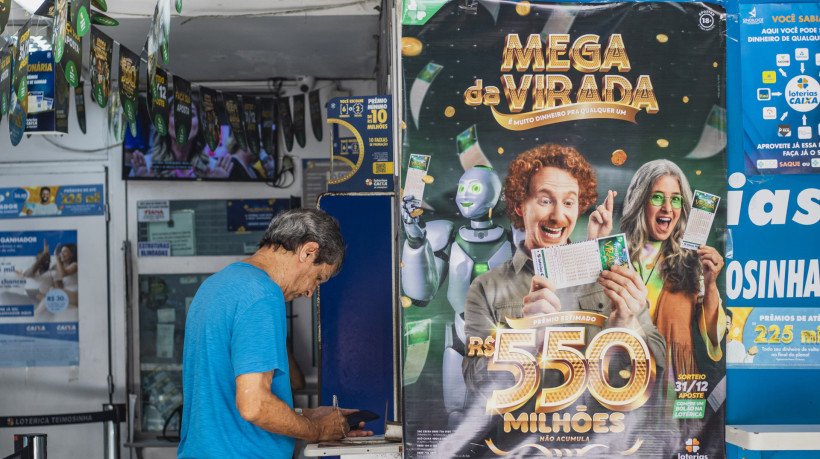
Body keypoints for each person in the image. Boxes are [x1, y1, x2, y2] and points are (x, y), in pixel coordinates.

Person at [458, 144, 666, 457]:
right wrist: (525, 334)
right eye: (545, 200)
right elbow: (476, 383)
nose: (558, 215)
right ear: (520, 206)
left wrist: (626, 326)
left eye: (569, 202)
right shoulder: (486, 288)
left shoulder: (611, 272)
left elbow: (659, 362)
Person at [178, 208, 373, 458]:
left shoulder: (216, 285)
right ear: (308, 251)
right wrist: (316, 430)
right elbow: (254, 406)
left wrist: (305, 415)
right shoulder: (262, 294)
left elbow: (226, 400)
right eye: (318, 278)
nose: (310, 292)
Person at [619, 159, 726, 451]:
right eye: (658, 197)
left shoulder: (693, 262)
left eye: (675, 199)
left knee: (677, 449)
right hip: (625, 377)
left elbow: (713, 338)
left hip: (679, 382)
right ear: (640, 201)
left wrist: (712, 283)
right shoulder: (617, 257)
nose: (668, 207)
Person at [130, 95, 233, 179]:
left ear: (200, 125)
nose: (184, 121)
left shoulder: (213, 168)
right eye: (176, 114)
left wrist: (218, 184)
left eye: (191, 115)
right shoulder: (146, 166)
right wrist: (143, 183)